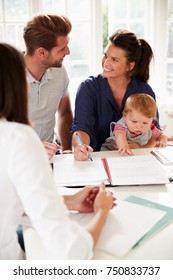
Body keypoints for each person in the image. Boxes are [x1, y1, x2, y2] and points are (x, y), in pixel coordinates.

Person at [0, 43, 116, 260]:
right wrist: (102, 210)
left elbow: (6, 202)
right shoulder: (17, 138)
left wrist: (70, 200)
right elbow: (72, 252)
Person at [71, 29, 162, 161]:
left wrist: (140, 148)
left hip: (134, 159)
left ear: (130, 66)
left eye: (114, 60)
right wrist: (81, 146)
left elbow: (154, 132)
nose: (106, 62)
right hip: (96, 160)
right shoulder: (88, 88)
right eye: (105, 55)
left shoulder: (144, 91)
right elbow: (81, 127)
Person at [23, 14, 73, 159]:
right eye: (62, 49)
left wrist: (67, 150)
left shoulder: (59, 72)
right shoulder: (7, 77)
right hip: (12, 161)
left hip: (49, 158)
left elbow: (64, 113)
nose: (68, 52)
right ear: (42, 53)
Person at [101, 93, 167, 155]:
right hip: (111, 152)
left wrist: (162, 140)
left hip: (135, 154)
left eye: (145, 123)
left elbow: (161, 135)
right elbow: (119, 134)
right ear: (125, 115)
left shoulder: (151, 128)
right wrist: (124, 145)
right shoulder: (121, 125)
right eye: (134, 122)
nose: (139, 126)